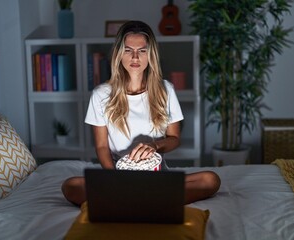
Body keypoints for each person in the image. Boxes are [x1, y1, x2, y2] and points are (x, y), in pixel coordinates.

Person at [62, 20, 220, 206]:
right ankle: (151, 201)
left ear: (150, 55)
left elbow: (174, 138)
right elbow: (102, 147)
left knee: (211, 180)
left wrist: (154, 145)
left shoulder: (165, 89)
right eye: (128, 50)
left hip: (157, 176)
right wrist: (115, 179)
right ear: (119, 54)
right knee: (71, 186)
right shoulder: (101, 94)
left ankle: (131, 202)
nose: (135, 57)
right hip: (119, 177)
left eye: (142, 50)